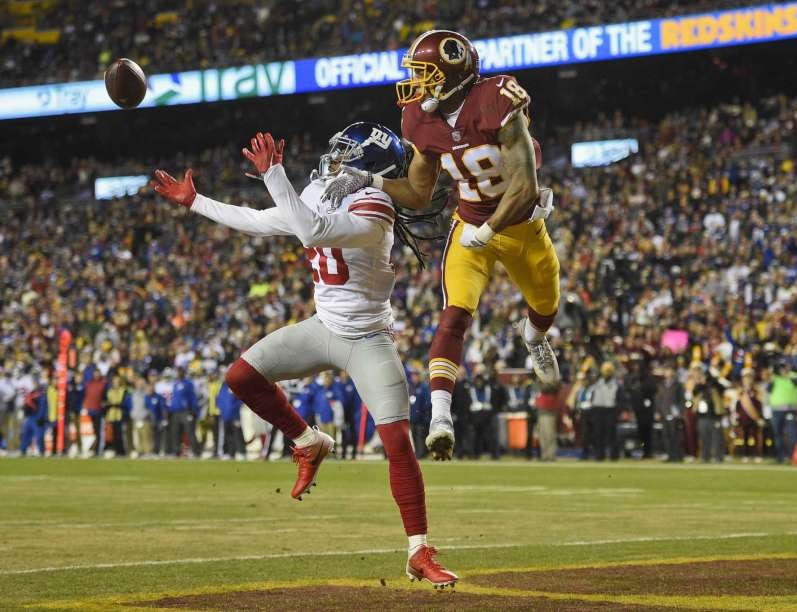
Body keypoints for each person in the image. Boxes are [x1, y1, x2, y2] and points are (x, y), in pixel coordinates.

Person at [149, 123, 456, 586]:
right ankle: (308, 440)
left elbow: (311, 229)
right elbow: (261, 221)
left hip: (368, 339)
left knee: (398, 445)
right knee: (241, 378)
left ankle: (418, 550)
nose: (333, 160)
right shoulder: (318, 190)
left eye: (345, 155)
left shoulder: (377, 208)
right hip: (322, 327)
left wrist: (275, 174)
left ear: (371, 167)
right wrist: (196, 202)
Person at [322, 30, 560, 461]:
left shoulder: (496, 98)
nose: (418, 84)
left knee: (546, 306)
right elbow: (417, 193)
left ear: (453, 71)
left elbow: (524, 186)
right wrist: (372, 179)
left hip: (520, 225)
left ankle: (535, 337)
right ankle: (440, 419)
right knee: (453, 316)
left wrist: (489, 231)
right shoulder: (418, 119)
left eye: (426, 74)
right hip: (468, 223)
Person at [767, 359, 797, 463]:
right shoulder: (774, 379)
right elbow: (768, 390)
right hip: (776, 409)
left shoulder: (793, 377)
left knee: (791, 433)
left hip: (790, 409)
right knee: (777, 434)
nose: (784, 369)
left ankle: (792, 456)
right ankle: (780, 457)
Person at [589, 362, 620, 460]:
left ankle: (613, 455)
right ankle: (599, 455)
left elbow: (620, 398)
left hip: (610, 409)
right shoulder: (598, 382)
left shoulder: (616, 384)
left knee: (611, 434)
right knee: (598, 434)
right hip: (598, 409)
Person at [654, 362, 684, 463]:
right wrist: (657, 411)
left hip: (674, 412)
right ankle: (670, 455)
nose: (668, 372)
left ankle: (677, 455)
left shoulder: (678, 385)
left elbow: (681, 399)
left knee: (674, 434)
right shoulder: (661, 384)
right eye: (666, 370)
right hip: (664, 412)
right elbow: (658, 398)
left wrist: (680, 411)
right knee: (666, 435)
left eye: (669, 370)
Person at [734, 368, 764, 463]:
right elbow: (737, 405)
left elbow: (760, 404)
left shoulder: (756, 390)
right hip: (744, 418)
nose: (748, 380)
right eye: (746, 378)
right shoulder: (740, 391)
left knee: (756, 437)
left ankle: (758, 455)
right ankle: (746, 455)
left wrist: (759, 417)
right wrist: (736, 416)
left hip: (754, 418)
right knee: (745, 437)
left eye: (749, 377)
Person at [168, 367, 199, 457]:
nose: (179, 373)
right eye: (178, 372)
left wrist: (192, 411)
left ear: (184, 373)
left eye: (181, 372)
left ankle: (195, 451)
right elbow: (174, 398)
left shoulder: (188, 383)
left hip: (186, 411)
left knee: (190, 432)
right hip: (175, 412)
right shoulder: (175, 384)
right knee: (175, 432)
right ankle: (176, 451)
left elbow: (192, 397)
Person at [408, 368, 432, 459]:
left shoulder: (423, 387)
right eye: (414, 375)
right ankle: (418, 452)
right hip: (412, 417)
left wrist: (422, 412)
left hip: (421, 419)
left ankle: (421, 453)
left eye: (416, 375)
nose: (415, 377)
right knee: (414, 436)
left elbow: (428, 402)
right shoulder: (410, 387)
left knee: (421, 436)